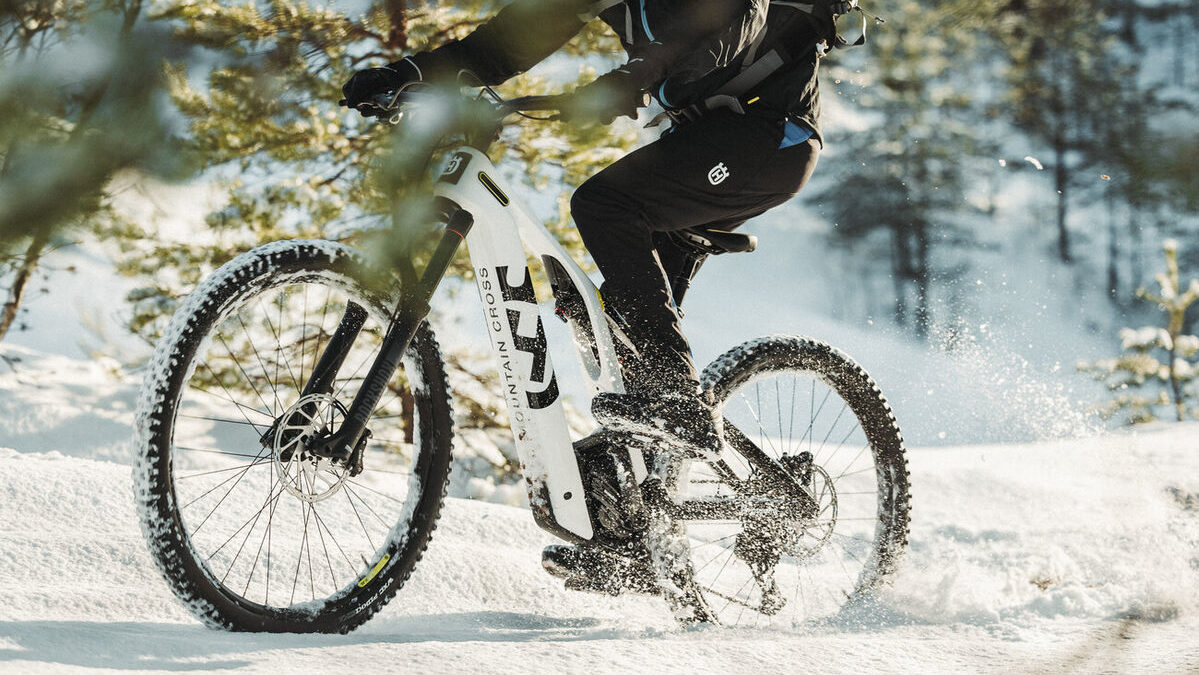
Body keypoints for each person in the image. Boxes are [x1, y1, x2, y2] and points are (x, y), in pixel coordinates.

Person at [343, 0, 840, 594]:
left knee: (604, 205)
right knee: (606, 321)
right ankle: (634, 536)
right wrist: (410, 74)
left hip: (769, 138)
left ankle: (678, 399)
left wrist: (632, 77)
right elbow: (501, 47)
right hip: (705, 136)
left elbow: (721, 28)